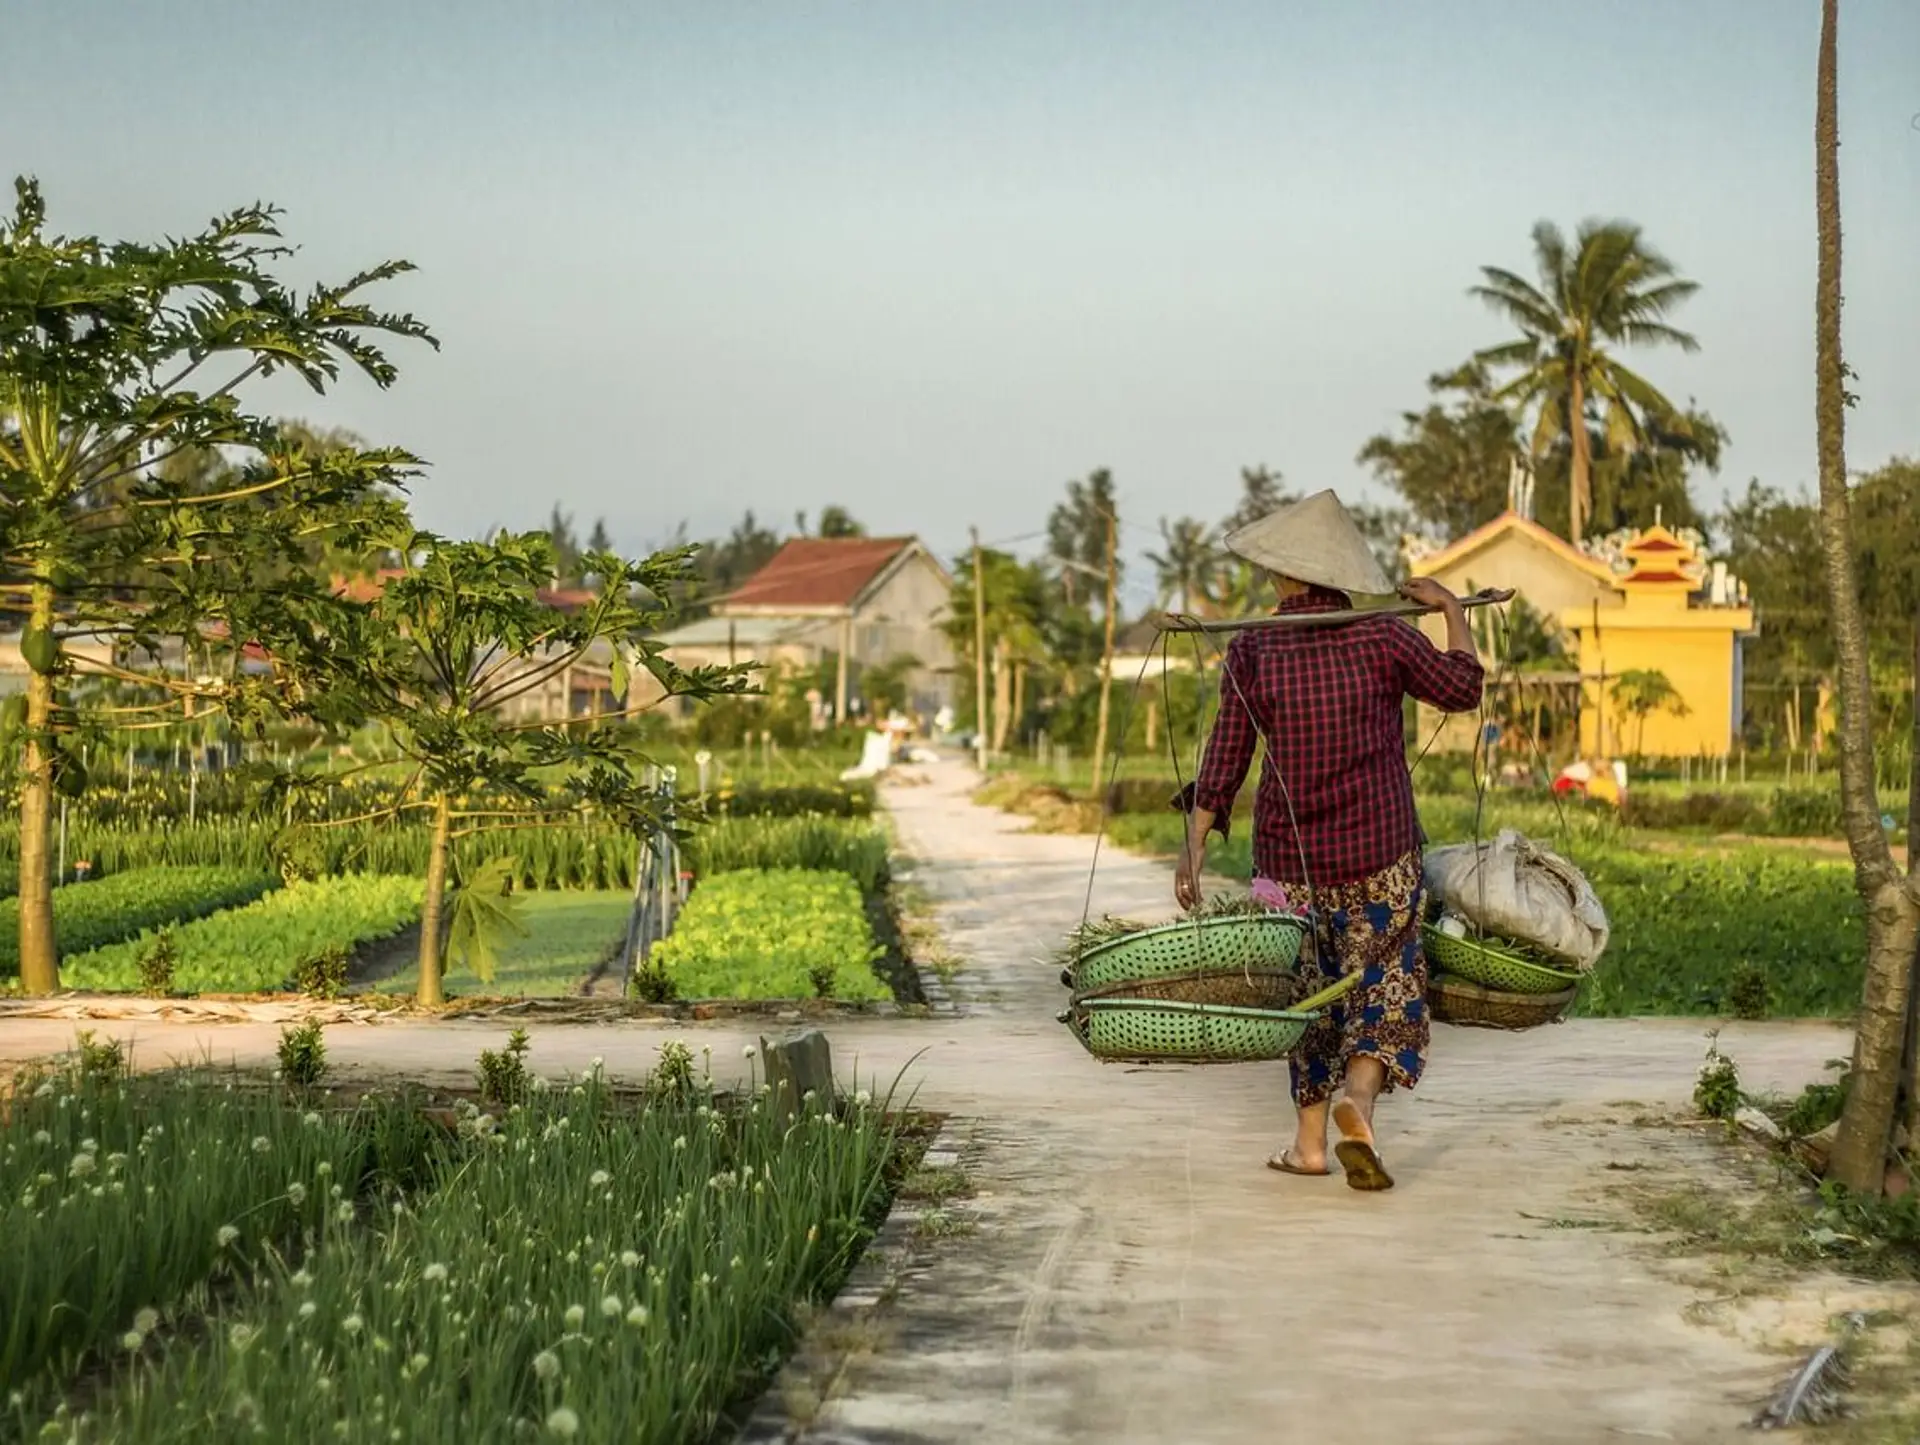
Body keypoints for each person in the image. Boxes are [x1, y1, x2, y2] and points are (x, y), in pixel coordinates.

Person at [1173, 490, 1484, 1192]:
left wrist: (1191, 847)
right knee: (1386, 982)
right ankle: (1360, 1101)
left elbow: (1224, 760)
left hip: (1287, 866)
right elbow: (1462, 686)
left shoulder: (1254, 649)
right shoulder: (1384, 636)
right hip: (1379, 854)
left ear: (1285, 578)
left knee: (1306, 995)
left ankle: (1310, 1143)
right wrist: (1453, 611)